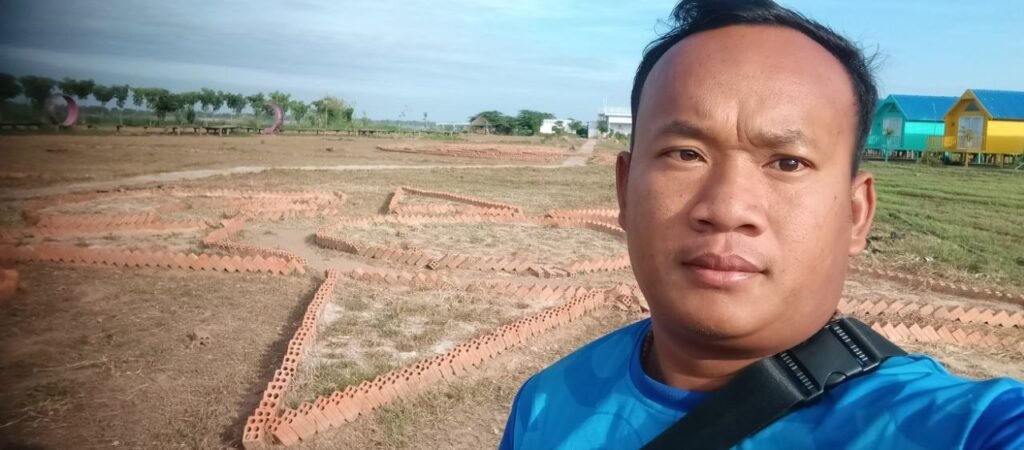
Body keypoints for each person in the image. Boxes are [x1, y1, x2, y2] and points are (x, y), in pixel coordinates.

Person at [499, 0, 1024, 448]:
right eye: (685, 153)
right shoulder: (546, 403)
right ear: (624, 190)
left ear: (855, 213)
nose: (726, 208)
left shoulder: (961, 428)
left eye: (788, 162)